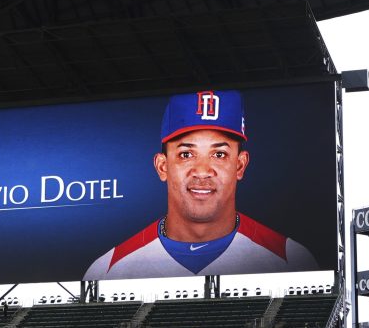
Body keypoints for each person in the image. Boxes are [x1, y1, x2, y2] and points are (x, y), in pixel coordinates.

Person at [84, 90, 317, 279]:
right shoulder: (107, 269)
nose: (203, 171)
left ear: (240, 165)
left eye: (219, 154)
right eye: (186, 154)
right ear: (162, 166)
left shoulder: (292, 259)